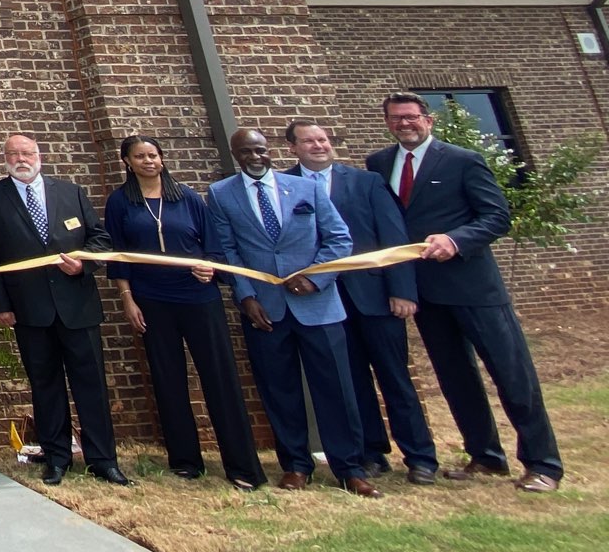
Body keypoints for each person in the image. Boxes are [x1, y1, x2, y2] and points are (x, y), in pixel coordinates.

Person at [366, 93, 562, 492]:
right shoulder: (379, 164)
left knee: (512, 375)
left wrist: (456, 240)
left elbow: (496, 216)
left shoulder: (462, 160)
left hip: (475, 288)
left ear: (428, 120)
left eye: (411, 117)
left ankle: (543, 464)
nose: (404, 124)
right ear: (387, 123)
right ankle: (486, 456)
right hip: (425, 293)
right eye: (395, 118)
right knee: (456, 377)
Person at [207, 128, 375, 496]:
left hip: (318, 307)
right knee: (279, 391)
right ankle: (296, 465)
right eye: (246, 152)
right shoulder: (221, 194)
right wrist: (246, 296)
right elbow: (228, 251)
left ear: (270, 150)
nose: (255, 157)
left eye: (260, 150)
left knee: (336, 389)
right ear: (235, 155)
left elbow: (338, 239)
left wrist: (317, 280)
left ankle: (350, 468)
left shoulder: (305, 188)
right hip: (265, 311)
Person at [103, 135, 266, 490]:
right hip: (152, 300)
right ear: (127, 162)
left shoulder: (189, 198)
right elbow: (118, 256)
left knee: (220, 378)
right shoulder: (119, 203)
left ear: (162, 159)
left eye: (154, 155)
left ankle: (242, 466)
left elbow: (214, 248)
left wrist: (210, 269)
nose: (149, 161)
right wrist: (128, 299)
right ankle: (185, 460)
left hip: (198, 297)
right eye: (140, 156)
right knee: (168, 379)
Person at [0, 133, 130, 487]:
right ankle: (57, 457)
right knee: (46, 386)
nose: (21, 159)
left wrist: (83, 265)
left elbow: (99, 238)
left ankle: (104, 460)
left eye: (27, 152)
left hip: (78, 306)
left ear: (39, 155)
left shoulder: (70, 191)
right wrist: (0, 305)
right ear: (5, 159)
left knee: (91, 385)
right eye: (13, 154)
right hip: (30, 310)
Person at [286, 120, 437, 483]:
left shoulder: (366, 182)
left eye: (323, 139)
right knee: (351, 381)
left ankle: (420, 457)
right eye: (309, 141)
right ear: (292, 147)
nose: (319, 146)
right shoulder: (286, 186)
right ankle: (371, 453)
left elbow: (393, 236)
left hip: (374, 297)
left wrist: (402, 290)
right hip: (324, 301)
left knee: (395, 377)